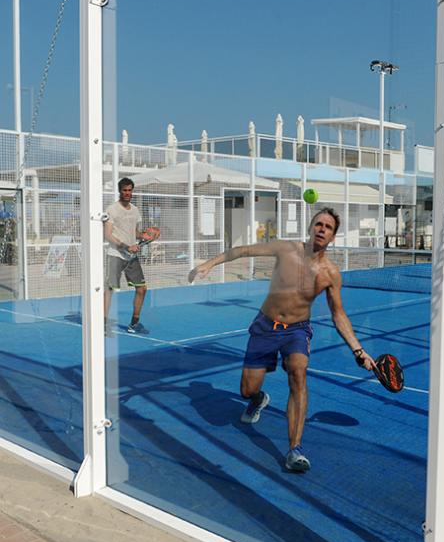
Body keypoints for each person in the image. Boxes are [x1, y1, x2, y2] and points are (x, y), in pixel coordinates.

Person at [188, 207, 376, 473]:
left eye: (329, 227)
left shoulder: (330, 273)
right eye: (319, 224)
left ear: (333, 237)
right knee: (246, 390)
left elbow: (338, 314)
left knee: (299, 372)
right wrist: (209, 264)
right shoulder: (286, 249)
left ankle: (295, 449)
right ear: (311, 227)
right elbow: (244, 251)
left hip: (296, 331)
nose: (322, 229)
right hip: (265, 326)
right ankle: (258, 399)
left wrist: (359, 351)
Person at [104, 177, 150, 335]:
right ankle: (103, 324)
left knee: (142, 289)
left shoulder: (136, 210)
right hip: (115, 254)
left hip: (131, 257)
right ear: (119, 191)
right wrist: (125, 246)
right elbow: (108, 235)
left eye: (130, 190)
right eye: (124, 190)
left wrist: (144, 236)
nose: (127, 193)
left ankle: (134, 324)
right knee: (109, 289)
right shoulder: (112, 209)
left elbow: (133, 232)